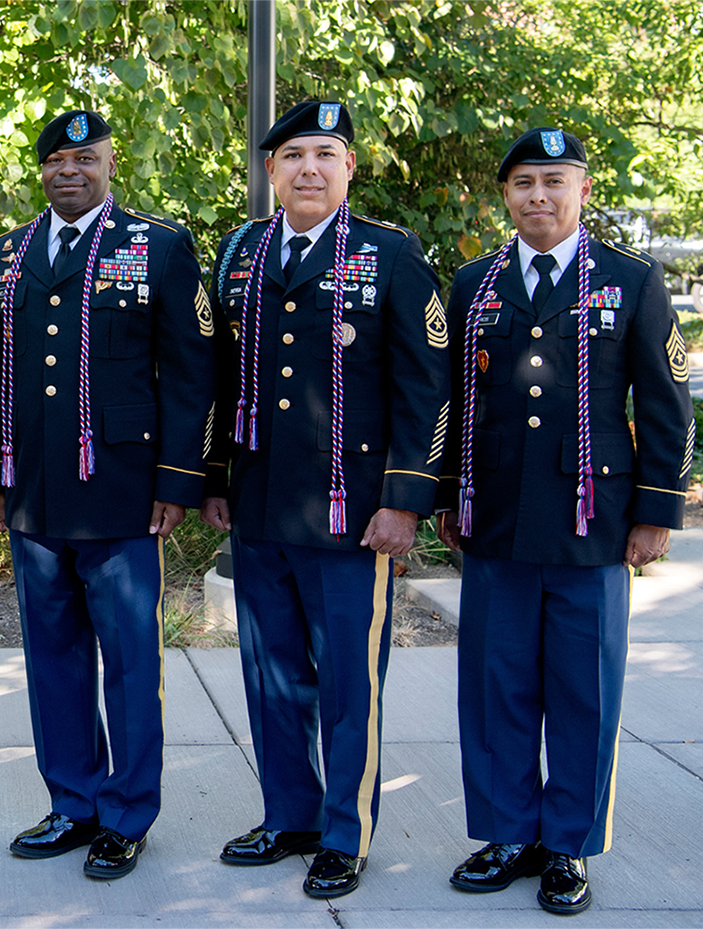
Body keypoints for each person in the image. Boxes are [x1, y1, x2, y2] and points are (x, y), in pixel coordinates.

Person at [435, 127, 693, 915]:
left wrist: (657, 512)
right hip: (498, 518)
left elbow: (665, 403)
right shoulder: (474, 283)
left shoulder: (630, 279)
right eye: (524, 183)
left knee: (584, 690)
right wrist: (446, 494)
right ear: (504, 196)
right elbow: (448, 401)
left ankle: (569, 847)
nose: (539, 196)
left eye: (555, 181)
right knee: (497, 683)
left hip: (594, 522)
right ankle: (509, 832)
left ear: (582, 189)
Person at [200, 99, 450, 899]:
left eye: (326, 155)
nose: (310, 168)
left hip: (354, 512)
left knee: (350, 681)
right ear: (270, 171)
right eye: (294, 155)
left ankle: (346, 832)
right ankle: (290, 815)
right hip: (261, 503)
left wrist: (406, 499)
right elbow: (218, 379)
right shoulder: (241, 252)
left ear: (349, 169)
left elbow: (427, 386)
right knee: (272, 675)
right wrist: (214, 479)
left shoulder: (391, 255)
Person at [0, 109, 216, 880]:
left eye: (85, 157)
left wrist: (178, 480)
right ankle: (72, 801)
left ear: (111, 162)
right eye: (56, 161)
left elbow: (192, 373)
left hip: (122, 491)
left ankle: (126, 812)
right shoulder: (11, 252)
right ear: (40, 172)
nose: (69, 171)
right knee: (53, 657)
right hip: (37, 492)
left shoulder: (157, 246)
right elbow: (0, 373)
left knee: (128, 660)